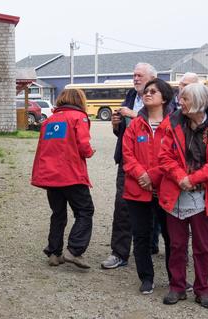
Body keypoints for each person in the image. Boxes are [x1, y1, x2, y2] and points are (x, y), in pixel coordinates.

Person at [159, 83, 208, 308]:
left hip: (203, 195)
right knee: (177, 244)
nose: (180, 102)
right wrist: (181, 176)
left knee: (202, 246)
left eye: (186, 98)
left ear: (199, 102)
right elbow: (164, 157)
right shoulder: (173, 123)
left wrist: (193, 179)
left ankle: (202, 289)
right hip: (176, 192)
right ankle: (177, 287)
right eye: (181, 98)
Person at [101, 63, 157, 269]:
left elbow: (165, 124)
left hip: (154, 162)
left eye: (139, 75)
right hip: (127, 160)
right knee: (122, 207)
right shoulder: (130, 97)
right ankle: (119, 253)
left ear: (152, 77)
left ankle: (151, 249)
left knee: (156, 208)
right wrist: (117, 124)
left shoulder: (161, 97)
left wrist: (134, 116)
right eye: (134, 75)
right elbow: (123, 133)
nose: (135, 79)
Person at [31, 89, 95, 269]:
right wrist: (90, 152)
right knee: (85, 211)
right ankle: (74, 250)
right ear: (79, 100)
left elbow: (44, 148)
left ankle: (54, 252)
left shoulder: (49, 120)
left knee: (58, 214)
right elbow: (83, 146)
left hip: (51, 176)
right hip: (71, 174)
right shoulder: (78, 117)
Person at [122, 78, 174, 294]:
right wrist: (140, 174)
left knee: (172, 237)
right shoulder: (135, 124)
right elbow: (127, 154)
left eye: (153, 91)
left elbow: (175, 157)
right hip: (137, 190)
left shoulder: (174, 124)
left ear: (165, 98)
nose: (147, 94)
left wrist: (152, 175)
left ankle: (176, 278)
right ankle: (146, 278)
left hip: (166, 189)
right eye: (146, 91)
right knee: (141, 236)